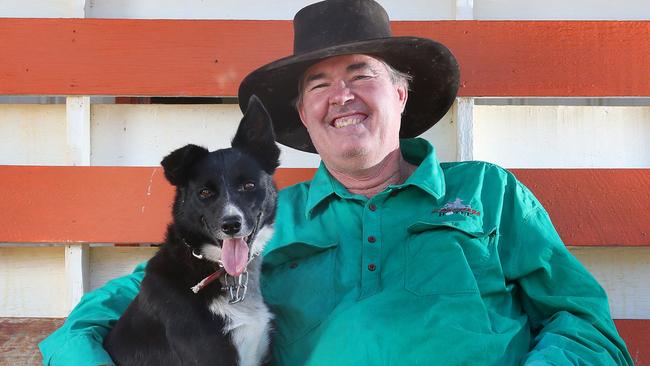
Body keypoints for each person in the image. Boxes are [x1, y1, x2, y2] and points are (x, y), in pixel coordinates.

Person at [40, 0, 632, 365]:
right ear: (302, 115)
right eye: (319, 85)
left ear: (401, 94)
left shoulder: (488, 194)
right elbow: (104, 315)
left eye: (361, 74)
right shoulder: (265, 224)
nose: (342, 95)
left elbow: (584, 325)